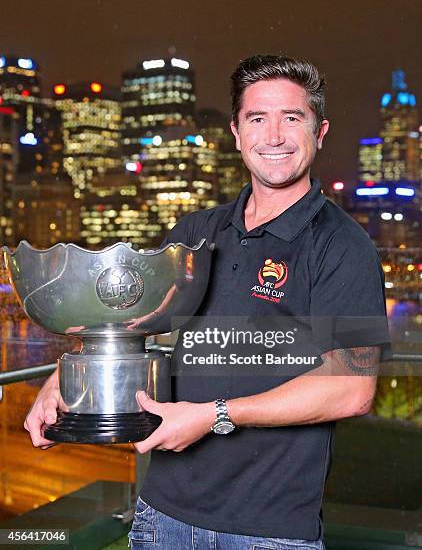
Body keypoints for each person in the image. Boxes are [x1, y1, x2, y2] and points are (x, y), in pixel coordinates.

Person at [25, 55, 391, 550]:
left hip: (270, 532)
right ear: (238, 134)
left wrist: (214, 415)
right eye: (258, 119)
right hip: (163, 515)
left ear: (320, 131)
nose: (275, 136)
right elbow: (129, 322)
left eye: (292, 118)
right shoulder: (194, 234)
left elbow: (350, 389)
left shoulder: (343, 245)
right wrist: (58, 384)